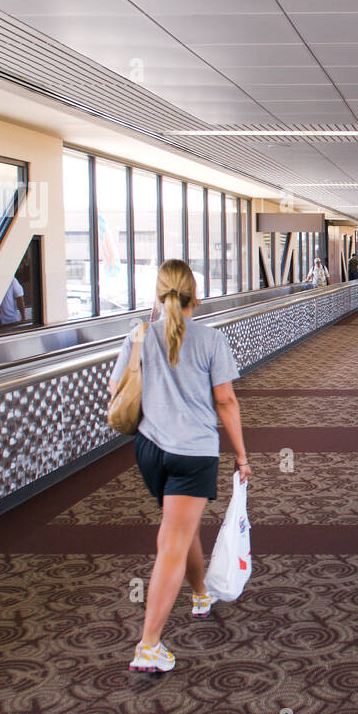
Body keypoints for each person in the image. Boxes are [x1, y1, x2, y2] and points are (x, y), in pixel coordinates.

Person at [109, 259, 251, 673]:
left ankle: (201, 592)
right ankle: (148, 644)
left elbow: (115, 390)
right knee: (172, 541)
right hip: (193, 453)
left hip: (151, 450)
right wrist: (241, 455)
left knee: (179, 526)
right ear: (196, 296)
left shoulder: (138, 336)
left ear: (160, 294)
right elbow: (225, 401)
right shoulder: (210, 340)